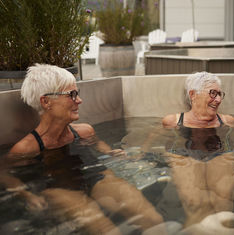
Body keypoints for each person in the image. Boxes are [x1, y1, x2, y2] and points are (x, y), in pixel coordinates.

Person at [0, 64, 163, 234]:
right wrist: (27, 195)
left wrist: (110, 153)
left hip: (94, 176)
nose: (79, 100)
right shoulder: (27, 148)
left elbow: (99, 145)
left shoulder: (84, 132)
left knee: (153, 219)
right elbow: (3, 173)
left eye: (77, 94)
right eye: (72, 95)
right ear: (46, 101)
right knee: (108, 232)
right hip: (57, 187)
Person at [161, 71, 234, 227]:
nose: (217, 100)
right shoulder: (172, 121)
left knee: (223, 203)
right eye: (213, 93)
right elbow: (157, 143)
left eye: (220, 94)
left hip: (220, 154)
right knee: (195, 203)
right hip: (185, 155)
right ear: (193, 94)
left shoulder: (228, 121)